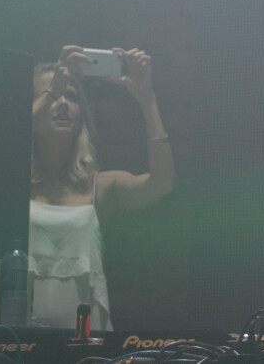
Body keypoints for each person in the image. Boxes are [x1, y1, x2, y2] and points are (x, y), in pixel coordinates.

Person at [28, 45, 175, 331]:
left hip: (86, 338)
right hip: (22, 340)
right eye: (53, 94)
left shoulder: (102, 185)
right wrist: (50, 93)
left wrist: (147, 100)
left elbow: (162, 183)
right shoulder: (9, 184)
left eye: (71, 96)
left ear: (81, 115)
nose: (62, 103)